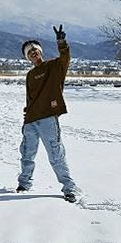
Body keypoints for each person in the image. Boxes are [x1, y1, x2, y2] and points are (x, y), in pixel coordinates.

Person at [17, 25, 79, 203]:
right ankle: (24, 184)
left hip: (47, 119)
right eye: (30, 53)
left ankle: (69, 188)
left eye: (35, 51)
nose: (33, 54)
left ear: (40, 52)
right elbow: (29, 99)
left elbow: (66, 58)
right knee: (27, 153)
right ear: (27, 58)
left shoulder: (54, 66)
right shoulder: (30, 75)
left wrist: (62, 43)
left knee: (55, 154)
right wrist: (26, 118)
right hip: (30, 121)